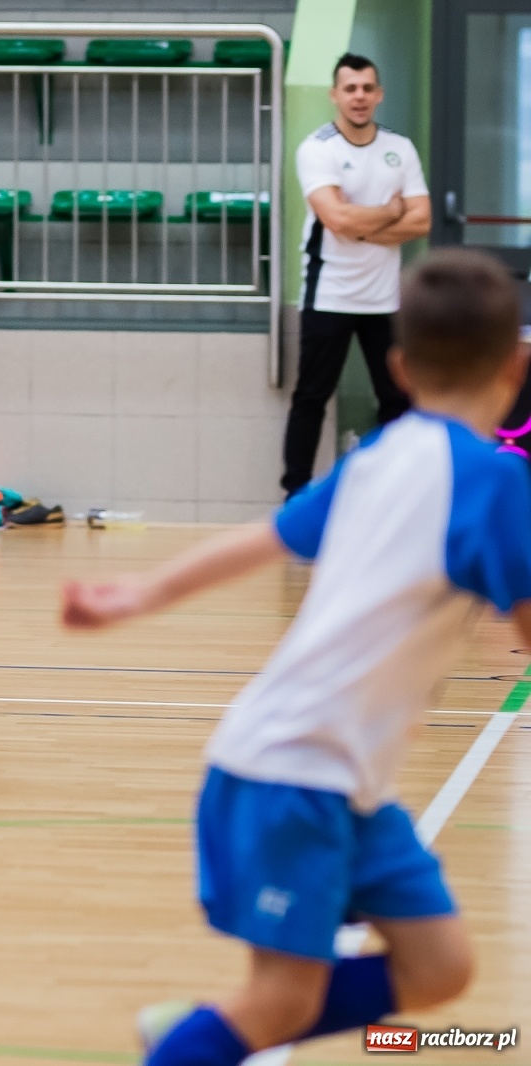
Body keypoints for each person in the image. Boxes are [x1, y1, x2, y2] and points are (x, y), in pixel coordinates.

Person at [63, 249, 530, 1066]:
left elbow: (262, 538)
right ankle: (201, 1043)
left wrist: (144, 592)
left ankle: (205, 1031)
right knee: (283, 999)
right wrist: (140, 596)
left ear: (399, 365)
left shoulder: (381, 457)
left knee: (440, 967)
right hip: (291, 773)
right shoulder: (490, 484)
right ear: (518, 364)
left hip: (346, 781)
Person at [281, 52, 432, 497]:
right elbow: (337, 220)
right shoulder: (317, 148)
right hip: (328, 294)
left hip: (384, 300)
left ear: (379, 94)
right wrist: (389, 211)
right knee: (311, 398)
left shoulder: (399, 148)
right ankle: (295, 496)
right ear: (335, 95)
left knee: (398, 401)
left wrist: (359, 224)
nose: (359, 96)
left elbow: (421, 222)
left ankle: (398, 495)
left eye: (367, 88)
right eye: (350, 88)